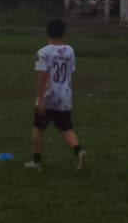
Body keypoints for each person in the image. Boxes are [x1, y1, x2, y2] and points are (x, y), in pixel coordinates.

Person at [29, 19, 86, 170]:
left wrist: (40, 100)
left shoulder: (44, 52)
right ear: (63, 33)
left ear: (47, 32)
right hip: (65, 96)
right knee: (65, 128)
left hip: (48, 96)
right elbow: (70, 71)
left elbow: (43, 78)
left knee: (38, 128)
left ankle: (36, 161)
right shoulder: (70, 51)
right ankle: (78, 150)